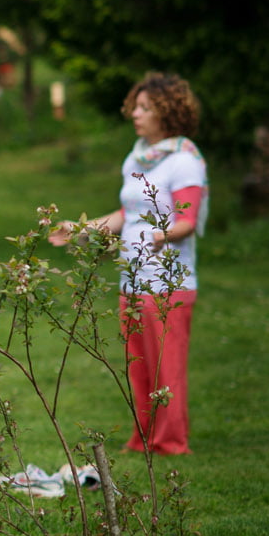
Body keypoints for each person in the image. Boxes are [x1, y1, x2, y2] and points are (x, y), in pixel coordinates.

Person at [49, 73, 207, 455]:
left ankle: (170, 442)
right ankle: (144, 438)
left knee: (165, 369)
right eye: (135, 107)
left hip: (168, 282)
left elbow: (187, 219)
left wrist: (160, 235)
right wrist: (80, 229)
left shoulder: (184, 161)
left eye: (145, 108)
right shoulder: (136, 157)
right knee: (138, 367)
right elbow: (127, 212)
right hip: (132, 279)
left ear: (167, 113)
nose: (135, 114)